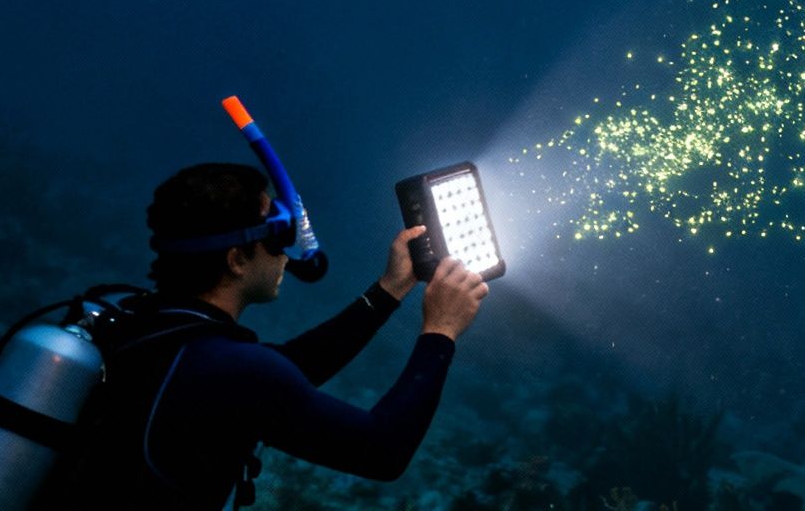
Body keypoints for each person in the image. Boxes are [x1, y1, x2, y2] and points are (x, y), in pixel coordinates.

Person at [45, 162, 490, 508]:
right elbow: (382, 451)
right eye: (278, 236)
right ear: (237, 260)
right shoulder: (227, 368)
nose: (289, 253)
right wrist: (440, 331)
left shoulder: (147, 324)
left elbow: (284, 372)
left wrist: (390, 290)